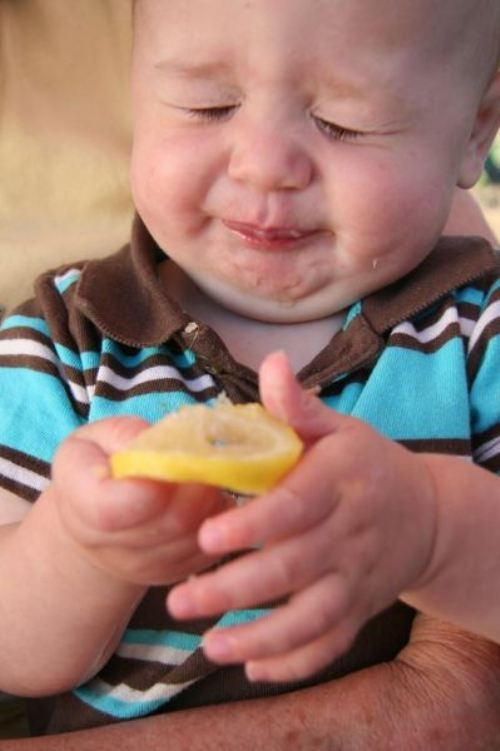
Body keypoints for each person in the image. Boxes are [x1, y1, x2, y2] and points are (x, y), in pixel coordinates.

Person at [1, 0, 500, 747]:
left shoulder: (475, 337)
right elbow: (14, 654)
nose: (263, 163)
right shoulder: (66, 338)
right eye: (210, 105)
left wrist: (435, 532)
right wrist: (76, 547)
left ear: (475, 131)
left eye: (344, 121)